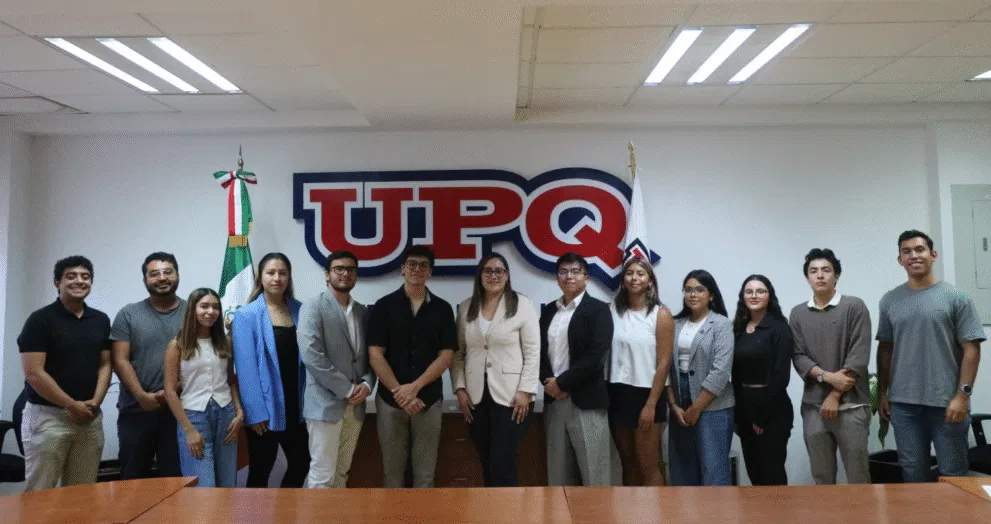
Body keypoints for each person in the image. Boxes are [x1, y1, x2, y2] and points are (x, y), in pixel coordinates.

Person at [877, 230, 985, 482]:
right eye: (906, 251)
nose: (913, 255)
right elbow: (885, 349)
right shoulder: (890, 300)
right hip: (903, 406)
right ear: (900, 260)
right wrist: (882, 392)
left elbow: (972, 349)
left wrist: (963, 395)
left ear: (933, 255)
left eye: (919, 249)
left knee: (953, 476)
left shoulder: (957, 298)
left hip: (947, 403)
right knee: (912, 475)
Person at [18, 255, 112, 491]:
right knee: (40, 493)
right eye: (71, 276)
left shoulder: (100, 320)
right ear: (57, 283)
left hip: (89, 418)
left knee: (82, 494)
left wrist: (96, 401)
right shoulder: (40, 320)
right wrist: (70, 404)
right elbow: (34, 373)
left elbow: (105, 364)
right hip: (49, 418)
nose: (79, 281)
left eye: (85, 276)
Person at [368, 245, 457, 488]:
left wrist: (414, 388)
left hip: (428, 401)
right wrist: (400, 392)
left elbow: (446, 356)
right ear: (403, 269)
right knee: (392, 475)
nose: (417, 269)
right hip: (390, 401)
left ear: (430, 271)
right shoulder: (384, 306)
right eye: (412, 264)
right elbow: (375, 355)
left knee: (425, 476)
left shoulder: (442, 309)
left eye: (423, 265)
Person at [452, 253, 540, 487]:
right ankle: (491, 507)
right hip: (475, 398)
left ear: (507, 275)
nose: (494, 276)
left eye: (499, 271)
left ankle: (509, 509)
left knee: (503, 463)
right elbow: (458, 353)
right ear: (480, 275)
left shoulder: (522, 304)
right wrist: (459, 388)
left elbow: (533, 352)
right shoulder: (466, 307)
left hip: (512, 397)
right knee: (486, 461)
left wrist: (526, 391)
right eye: (488, 271)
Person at [790, 248, 872, 485]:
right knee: (822, 478)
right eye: (813, 271)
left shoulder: (854, 306)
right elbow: (798, 355)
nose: (820, 275)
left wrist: (835, 395)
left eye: (826, 270)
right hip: (813, 408)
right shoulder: (798, 313)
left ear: (836, 276)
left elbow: (859, 354)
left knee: (858, 477)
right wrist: (827, 376)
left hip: (852, 406)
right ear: (807, 277)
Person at [297, 251, 376, 489]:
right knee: (322, 474)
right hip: (325, 405)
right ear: (327, 275)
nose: (345, 273)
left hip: (356, 406)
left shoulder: (363, 312)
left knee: (342, 472)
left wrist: (367, 384)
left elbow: (371, 356)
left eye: (351, 269)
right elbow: (311, 356)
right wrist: (348, 389)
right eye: (339, 269)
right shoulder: (313, 306)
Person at [231, 253, 309, 487]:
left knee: (302, 463)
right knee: (261, 469)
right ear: (261, 277)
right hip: (265, 408)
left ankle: (284, 508)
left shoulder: (301, 310)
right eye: (271, 272)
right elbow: (245, 369)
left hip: (297, 405)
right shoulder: (245, 315)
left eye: (282, 273)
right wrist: (255, 413)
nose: (277, 278)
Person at [540, 252, 616, 486]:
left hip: (586, 402)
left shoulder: (599, 310)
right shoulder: (549, 311)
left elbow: (595, 357)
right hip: (554, 401)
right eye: (563, 272)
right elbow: (538, 352)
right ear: (557, 278)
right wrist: (548, 382)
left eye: (575, 271)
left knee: (595, 478)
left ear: (586, 278)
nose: (569, 277)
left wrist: (562, 383)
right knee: (558, 478)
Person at [110, 252, 185, 479]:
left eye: (167, 272)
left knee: (176, 480)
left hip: (180, 412)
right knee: (133, 480)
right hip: (136, 410)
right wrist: (142, 396)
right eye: (154, 274)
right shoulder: (128, 314)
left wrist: (172, 391)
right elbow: (119, 360)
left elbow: (201, 360)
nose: (162, 278)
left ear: (177, 275)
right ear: (145, 280)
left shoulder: (193, 312)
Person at [163, 288, 244, 487]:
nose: (210, 312)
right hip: (194, 417)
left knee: (227, 484)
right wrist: (189, 430)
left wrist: (239, 413)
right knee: (203, 487)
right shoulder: (177, 345)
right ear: (193, 309)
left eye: (215, 307)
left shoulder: (225, 342)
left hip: (226, 415)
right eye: (204, 306)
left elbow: (230, 380)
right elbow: (170, 392)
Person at [607, 257, 673, 486]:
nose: (634, 278)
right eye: (629, 273)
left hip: (647, 394)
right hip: (617, 392)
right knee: (628, 462)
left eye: (640, 273)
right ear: (623, 280)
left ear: (650, 281)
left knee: (648, 463)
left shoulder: (660, 314)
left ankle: (658, 509)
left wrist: (651, 404)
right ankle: (631, 508)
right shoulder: (612, 310)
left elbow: (664, 363)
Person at [666, 269, 735, 486]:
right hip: (679, 405)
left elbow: (720, 371)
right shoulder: (674, 324)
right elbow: (666, 367)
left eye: (699, 289)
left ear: (711, 295)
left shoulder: (721, 324)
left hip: (712, 405)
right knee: (682, 470)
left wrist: (696, 408)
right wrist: (673, 405)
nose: (693, 294)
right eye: (688, 290)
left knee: (713, 470)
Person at [732, 275, 793, 486]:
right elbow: (735, 374)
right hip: (745, 410)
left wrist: (760, 417)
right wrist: (740, 415)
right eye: (749, 291)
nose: (754, 295)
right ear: (743, 296)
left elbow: (780, 377)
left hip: (772, 411)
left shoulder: (779, 328)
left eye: (760, 291)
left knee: (772, 476)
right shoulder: (739, 329)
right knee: (755, 476)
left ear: (769, 296)